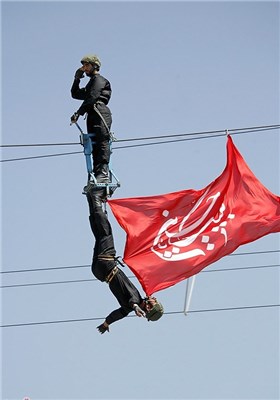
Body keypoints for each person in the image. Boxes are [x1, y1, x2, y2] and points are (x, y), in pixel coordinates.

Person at [86, 188, 164, 334]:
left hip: (107, 264)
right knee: (99, 234)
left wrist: (136, 307)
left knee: (105, 232)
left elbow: (132, 300)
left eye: (154, 302)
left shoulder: (134, 300)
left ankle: (95, 197)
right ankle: (92, 199)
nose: (154, 298)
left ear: (148, 307)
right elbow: (116, 315)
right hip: (99, 271)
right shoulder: (126, 309)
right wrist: (106, 323)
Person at [71, 54, 112, 183]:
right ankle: (97, 172)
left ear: (95, 65)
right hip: (92, 113)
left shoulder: (99, 80)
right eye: (83, 66)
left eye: (87, 65)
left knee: (101, 142)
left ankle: (103, 172)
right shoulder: (91, 83)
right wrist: (77, 78)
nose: (85, 68)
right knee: (94, 145)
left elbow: (92, 97)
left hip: (100, 112)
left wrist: (79, 113)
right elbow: (75, 94)